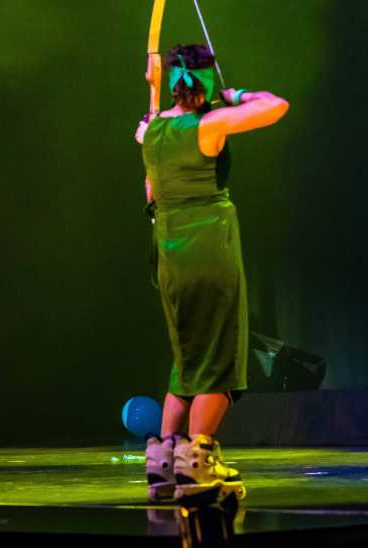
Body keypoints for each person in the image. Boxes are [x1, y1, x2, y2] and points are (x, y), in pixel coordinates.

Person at [135, 44, 289, 501]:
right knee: (219, 358)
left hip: (169, 253)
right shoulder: (211, 124)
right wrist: (236, 92)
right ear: (203, 83)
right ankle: (198, 461)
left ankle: (163, 458)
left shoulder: (150, 130)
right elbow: (276, 106)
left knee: (187, 358)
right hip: (209, 251)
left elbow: (150, 180)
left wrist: (155, 87)